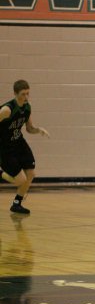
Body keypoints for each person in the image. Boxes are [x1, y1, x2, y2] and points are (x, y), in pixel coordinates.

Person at [0, 80, 49, 215]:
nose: (26, 97)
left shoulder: (27, 107)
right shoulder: (7, 110)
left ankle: (17, 204)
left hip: (19, 143)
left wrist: (38, 130)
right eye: (23, 94)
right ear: (15, 94)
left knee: (31, 174)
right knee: (20, 180)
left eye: (28, 94)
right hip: (6, 147)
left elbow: (29, 128)